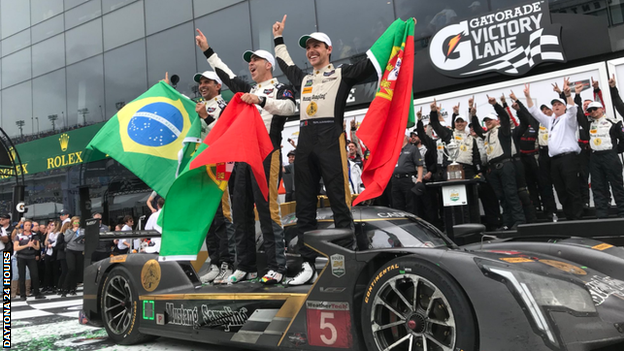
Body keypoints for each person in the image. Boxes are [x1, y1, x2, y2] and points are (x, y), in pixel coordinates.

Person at [272, 15, 377, 285]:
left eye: (317, 46)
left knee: (339, 200)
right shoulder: (304, 79)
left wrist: (397, 36)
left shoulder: (344, 72)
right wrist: (278, 38)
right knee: (304, 206)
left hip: (331, 138)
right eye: (308, 48)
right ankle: (306, 264)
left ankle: (346, 257)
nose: (312, 51)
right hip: (306, 140)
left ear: (329, 49)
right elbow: (285, 62)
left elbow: (373, 61)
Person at [196, 28, 297, 284]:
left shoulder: (280, 88)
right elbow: (226, 74)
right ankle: (245, 267)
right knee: (240, 212)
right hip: (242, 156)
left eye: (254, 60)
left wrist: (260, 100)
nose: (250, 63)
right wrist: (208, 50)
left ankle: (277, 267)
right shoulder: (246, 88)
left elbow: (290, 107)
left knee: (268, 211)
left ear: (268, 65)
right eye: (248, 61)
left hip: (267, 154)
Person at [525, 81, 582, 220]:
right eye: (554, 105)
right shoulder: (550, 121)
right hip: (554, 160)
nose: (556, 107)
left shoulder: (569, 119)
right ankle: (569, 216)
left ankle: (578, 217)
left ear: (564, 107)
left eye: (559, 104)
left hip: (568, 158)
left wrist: (568, 95)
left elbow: (573, 110)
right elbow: (535, 112)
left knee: (571, 188)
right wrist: (527, 96)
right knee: (560, 190)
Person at [472, 96, 525, 229]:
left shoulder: (503, 130)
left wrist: (495, 104)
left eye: (490, 119)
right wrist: (473, 115)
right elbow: (478, 129)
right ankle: (507, 222)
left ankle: (520, 221)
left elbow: (505, 117)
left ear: (497, 120)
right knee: (501, 196)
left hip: (506, 165)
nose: (488, 122)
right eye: (486, 121)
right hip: (493, 169)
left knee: (511, 194)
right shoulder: (487, 135)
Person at [578, 99, 624, 217]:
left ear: (601, 109)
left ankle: (622, 211)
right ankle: (601, 213)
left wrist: (615, 151)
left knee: (617, 185)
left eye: (595, 109)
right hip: (595, 157)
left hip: (610, 156)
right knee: (597, 186)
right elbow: (577, 112)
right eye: (590, 110)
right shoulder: (588, 123)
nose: (593, 112)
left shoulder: (613, 122)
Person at [13, 219, 45, 300]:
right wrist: (27, 245)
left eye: (29, 225)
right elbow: (16, 247)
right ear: (23, 226)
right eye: (26, 225)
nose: (27, 227)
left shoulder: (34, 235)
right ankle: (22, 295)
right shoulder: (19, 236)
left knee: (35, 275)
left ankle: (37, 293)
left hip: (31, 256)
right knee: (22, 275)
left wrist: (32, 245)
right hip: (21, 257)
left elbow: (37, 247)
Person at [391, 135, 423, 213]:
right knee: (397, 205)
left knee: (411, 204)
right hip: (395, 180)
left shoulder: (412, 148)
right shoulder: (394, 149)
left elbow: (419, 165)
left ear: (405, 137)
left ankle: (413, 223)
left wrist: (419, 179)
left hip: (407, 179)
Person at [63, 216, 84, 297]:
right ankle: (65, 288)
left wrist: (84, 239)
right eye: (75, 222)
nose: (76, 224)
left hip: (79, 250)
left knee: (77, 270)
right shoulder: (68, 230)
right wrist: (73, 232)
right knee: (71, 269)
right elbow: (66, 239)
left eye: (78, 222)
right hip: (70, 250)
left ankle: (73, 288)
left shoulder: (82, 230)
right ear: (72, 223)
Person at [42, 221, 60, 294]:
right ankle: (47, 285)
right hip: (48, 253)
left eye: (52, 225)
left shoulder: (58, 234)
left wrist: (51, 245)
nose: (51, 226)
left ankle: (54, 285)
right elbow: (45, 243)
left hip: (54, 253)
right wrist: (48, 233)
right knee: (47, 270)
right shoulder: (51, 234)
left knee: (55, 270)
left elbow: (56, 243)